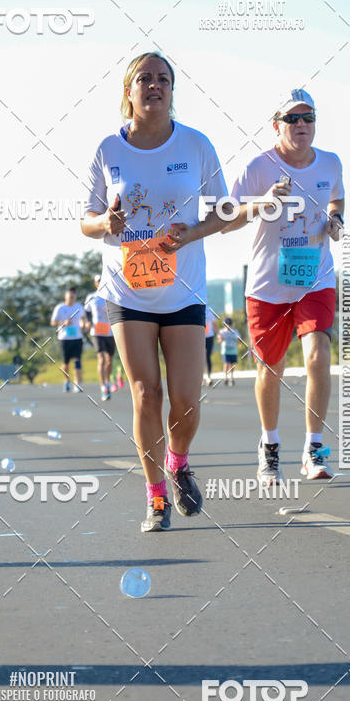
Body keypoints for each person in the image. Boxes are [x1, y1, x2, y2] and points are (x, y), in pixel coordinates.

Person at [81, 51, 230, 532]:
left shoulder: (196, 144)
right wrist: (106, 223)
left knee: (186, 400)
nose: (154, 85)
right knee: (147, 393)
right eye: (144, 78)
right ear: (128, 90)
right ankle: (156, 497)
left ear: (172, 89)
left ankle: (178, 461)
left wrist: (191, 232)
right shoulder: (109, 149)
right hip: (127, 291)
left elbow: (225, 212)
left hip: (183, 291)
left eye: (163, 79)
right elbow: (86, 220)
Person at [225, 88, 344, 484]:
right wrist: (262, 202)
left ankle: (314, 450)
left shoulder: (330, 162)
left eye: (308, 117)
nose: (301, 125)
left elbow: (337, 199)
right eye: (292, 118)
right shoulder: (258, 167)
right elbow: (226, 217)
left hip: (315, 277)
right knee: (270, 369)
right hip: (268, 285)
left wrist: (336, 220)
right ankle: (270, 446)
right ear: (276, 125)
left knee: (318, 356)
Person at [84, 275, 116, 401]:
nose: (101, 282)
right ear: (95, 283)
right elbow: (86, 311)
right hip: (96, 331)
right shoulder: (92, 297)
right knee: (101, 359)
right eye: (98, 281)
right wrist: (87, 322)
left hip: (110, 331)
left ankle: (107, 381)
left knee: (109, 360)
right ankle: (103, 387)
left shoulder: (111, 294)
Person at [50, 287, 87, 392]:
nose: (72, 298)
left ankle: (77, 383)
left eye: (73, 296)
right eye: (70, 296)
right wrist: (63, 322)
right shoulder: (60, 308)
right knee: (65, 363)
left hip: (77, 337)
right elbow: (53, 322)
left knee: (77, 361)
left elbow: (83, 319)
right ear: (65, 296)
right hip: (64, 338)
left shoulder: (79, 307)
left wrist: (84, 325)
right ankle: (67, 381)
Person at [217, 316, 240, 386]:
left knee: (232, 364)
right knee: (226, 363)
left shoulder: (235, 331)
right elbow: (219, 341)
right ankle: (225, 377)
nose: (228, 326)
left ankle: (231, 378)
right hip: (225, 351)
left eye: (229, 324)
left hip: (233, 350)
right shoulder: (222, 332)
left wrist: (238, 341)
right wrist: (221, 338)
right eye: (226, 325)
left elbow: (238, 340)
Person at [203, 307, 219, 386]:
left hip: (209, 337)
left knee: (207, 356)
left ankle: (209, 377)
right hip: (199, 337)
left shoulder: (209, 310)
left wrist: (219, 334)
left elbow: (214, 324)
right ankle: (201, 377)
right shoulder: (195, 307)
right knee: (200, 357)